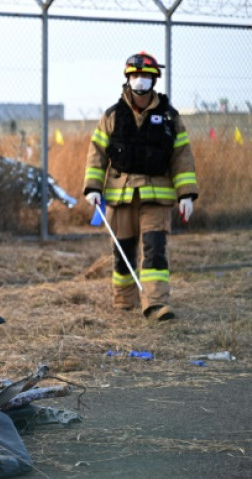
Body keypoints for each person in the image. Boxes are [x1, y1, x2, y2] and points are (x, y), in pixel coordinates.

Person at [83, 52, 199, 321]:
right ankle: (124, 300)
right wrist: (92, 187)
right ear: (127, 78)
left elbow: (182, 156)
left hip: (157, 197)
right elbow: (96, 152)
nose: (140, 80)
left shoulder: (169, 117)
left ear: (153, 79)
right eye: (135, 75)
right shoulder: (112, 116)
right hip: (120, 195)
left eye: (145, 75)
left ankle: (156, 304)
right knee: (122, 250)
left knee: (155, 249)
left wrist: (187, 194)